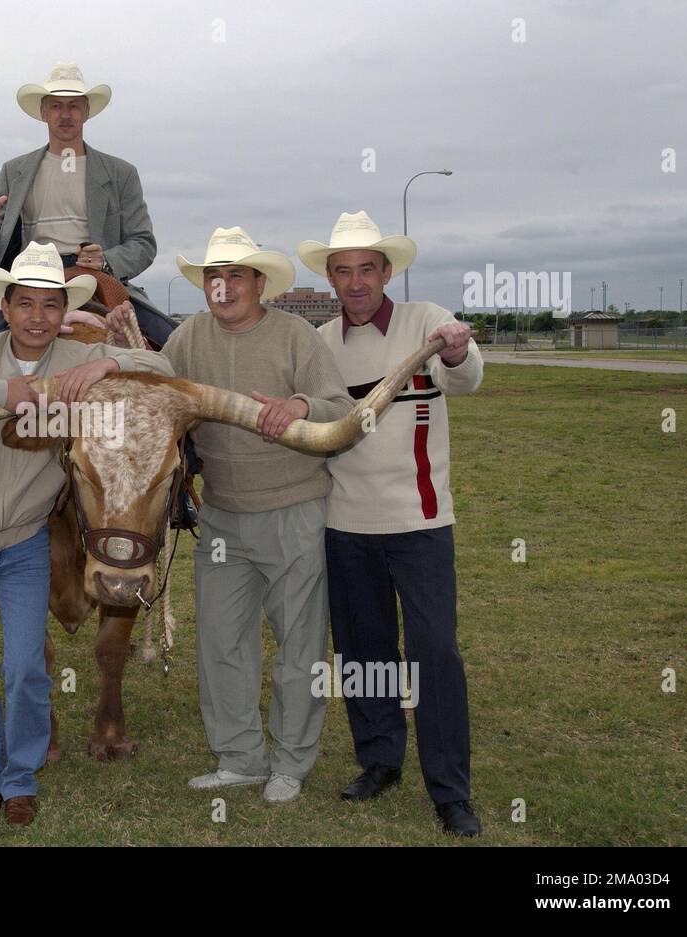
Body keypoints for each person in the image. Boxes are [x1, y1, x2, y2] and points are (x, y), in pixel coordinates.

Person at [0, 242, 172, 825]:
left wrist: (104, 364)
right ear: (4, 307)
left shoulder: (72, 361)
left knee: (26, 666)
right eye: (25, 303)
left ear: (64, 311)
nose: (37, 317)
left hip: (27, 540)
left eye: (50, 305)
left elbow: (166, 369)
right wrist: (4, 393)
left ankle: (21, 777)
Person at [108, 226, 352, 802]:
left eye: (235, 276)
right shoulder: (190, 337)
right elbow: (154, 388)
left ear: (259, 283)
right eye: (213, 278)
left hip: (294, 509)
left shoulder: (296, 336)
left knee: (298, 645)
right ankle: (239, 757)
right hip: (219, 513)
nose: (223, 288)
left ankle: (290, 762)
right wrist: (117, 350)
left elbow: (339, 408)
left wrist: (300, 405)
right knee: (221, 643)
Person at [300, 210, 483, 836]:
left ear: (386, 272)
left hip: (421, 521)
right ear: (330, 278)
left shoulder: (425, 321)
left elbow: (468, 378)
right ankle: (379, 761)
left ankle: (450, 790)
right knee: (363, 652)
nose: (356, 283)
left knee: (434, 652)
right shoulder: (320, 344)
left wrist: (457, 353)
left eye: (367, 270)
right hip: (345, 525)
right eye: (343, 271)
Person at [0, 61, 175, 347]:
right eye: (57, 106)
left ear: (86, 112)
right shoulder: (15, 171)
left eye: (73, 106)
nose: (65, 114)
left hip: (97, 274)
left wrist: (107, 260)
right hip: (31, 273)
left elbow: (144, 243)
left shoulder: (121, 174)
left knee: (172, 341)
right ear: (43, 112)